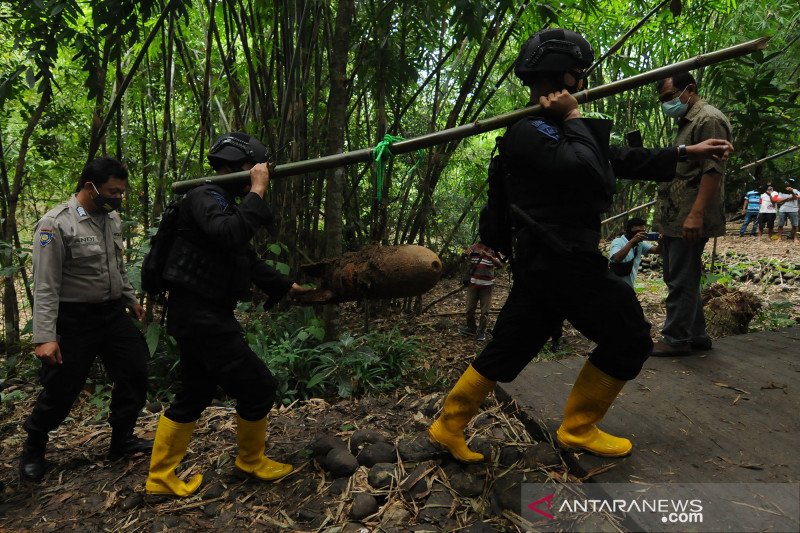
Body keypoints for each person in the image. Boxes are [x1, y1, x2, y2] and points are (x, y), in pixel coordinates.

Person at [427, 28, 734, 461]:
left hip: (544, 265)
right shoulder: (531, 131)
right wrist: (573, 119)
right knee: (629, 336)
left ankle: (448, 424)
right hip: (561, 261)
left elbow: (615, 157)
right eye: (577, 75)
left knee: (510, 345)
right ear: (563, 76)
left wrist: (686, 152)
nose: (583, 84)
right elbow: (588, 169)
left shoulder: (547, 127)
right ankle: (578, 428)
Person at [145, 133, 312, 497]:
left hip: (200, 315)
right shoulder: (204, 197)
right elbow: (229, 235)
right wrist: (258, 190)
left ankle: (160, 477)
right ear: (242, 167)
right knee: (258, 387)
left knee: (194, 393)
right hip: (202, 318)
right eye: (254, 169)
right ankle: (250, 461)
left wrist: (286, 287)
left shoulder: (217, 201)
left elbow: (244, 259)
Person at [22, 157, 152, 482]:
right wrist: (44, 337)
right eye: (113, 191)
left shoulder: (111, 219)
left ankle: (122, 440)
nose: (118, 197)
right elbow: (46, 285)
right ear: (90, 187)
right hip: (74, 320)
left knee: (135, 370)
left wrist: (131, 299)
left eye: (122, 192)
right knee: (62, 390)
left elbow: (115, 266)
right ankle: (34, 447)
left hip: (111, 315)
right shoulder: (56, 224)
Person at [651, 72, 733, 357]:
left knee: (681, 278)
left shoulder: (708, 119)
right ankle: (697, 335)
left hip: (690, 213)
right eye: (663, 100)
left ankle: (675, 338)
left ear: (690, 90)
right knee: (681, 275)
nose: (667, 104)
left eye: (669, 98)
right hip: (676, 214)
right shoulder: (687, 121)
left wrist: (696, 214)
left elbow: (713, 170)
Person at [459, 243, 503, 341]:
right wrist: (464, 254)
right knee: (469, 310)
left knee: (485, 311)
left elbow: (500, 264)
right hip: (473, 284)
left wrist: (489, 257)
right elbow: (462, 261)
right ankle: (471, 328)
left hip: (487, 286)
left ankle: (481, 331)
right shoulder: (474, 247)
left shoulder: (494, 249)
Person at [608, 217, 660, 289]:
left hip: (629, 285)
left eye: (644, 231)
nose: (643, 234)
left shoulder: (640, 244)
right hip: (615, 285)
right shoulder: (618, 241)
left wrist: (661, 241)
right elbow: (616, 258)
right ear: (631, 230)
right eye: (640, 232)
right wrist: (632, 242)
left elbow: (657, 250)